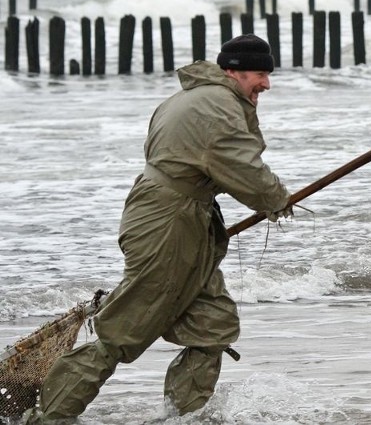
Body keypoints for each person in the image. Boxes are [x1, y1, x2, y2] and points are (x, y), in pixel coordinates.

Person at [27, 34, 292, 422]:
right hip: (167, 224)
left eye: (268, 75)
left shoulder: (196, 98)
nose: (266, 84)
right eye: (258, 74)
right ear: (232, 72)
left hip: (181, 219)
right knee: (123, 331)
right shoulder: (217, 106)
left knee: (213, 326)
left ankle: (183, 417)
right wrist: (277, 199)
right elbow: (241, 167)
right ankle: (48, 417)